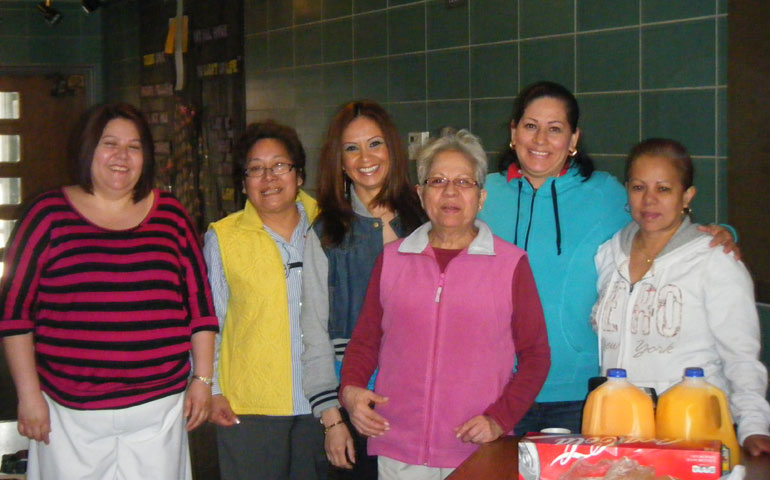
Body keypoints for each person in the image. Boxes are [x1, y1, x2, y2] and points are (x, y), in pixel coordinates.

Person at [478, 80, 738, 434]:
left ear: (573, 140)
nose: (540, 140)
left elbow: (661, 220)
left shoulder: (603, 193)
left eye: (555, 129)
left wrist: (722, 233)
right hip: (496, 387)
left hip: (578, 392)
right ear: (513, 131)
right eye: (530, 126)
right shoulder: (484, 195)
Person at [0, 102, 217, 479]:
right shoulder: (46, 215)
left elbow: (201, 308)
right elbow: (14, 316)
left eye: (134, 146)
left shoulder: (171, 216)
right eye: (110, 143)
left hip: (159, 410)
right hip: (69, 413)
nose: (122, 156)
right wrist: (29, 395)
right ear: (88, 149)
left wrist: (202, 380)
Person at [339, 129, 550, 479]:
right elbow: (365, 340)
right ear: (421, 194)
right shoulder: (393, 259)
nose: (450, 192)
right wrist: (351, 389)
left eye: (463, 182)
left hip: (475, 448)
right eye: (437, 181)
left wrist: (500, 420)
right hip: (399, 449)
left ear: (481, 197)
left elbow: (536, 356)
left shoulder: (510, 264)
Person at [592, 138, 770, 457]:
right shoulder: (609, 254)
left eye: (663, 189)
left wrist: (754, 425)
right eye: (638, 187)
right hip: (617, 433)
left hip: (693, 433)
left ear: (686, 196)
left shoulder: (714, 260)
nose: (649, 201)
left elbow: (741, 355)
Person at [300, 100, 424, 477]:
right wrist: (332, 420)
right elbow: (314, 333)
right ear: (339, 160)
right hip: (354, 398)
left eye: (375, 143)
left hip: (423, 392)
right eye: (351, 148)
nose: (365, 157)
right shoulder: (326, 235)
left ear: (392, 149)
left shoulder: (427, 220)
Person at [203, 120, 326, 479]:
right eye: (255, 169)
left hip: (321, 402)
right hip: (248, 406)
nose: (268, 177)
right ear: (243, 183)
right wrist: (213, 390)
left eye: (279, 166)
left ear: (299, 175)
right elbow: (213, 321)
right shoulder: (223, 238)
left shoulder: (329, 225)